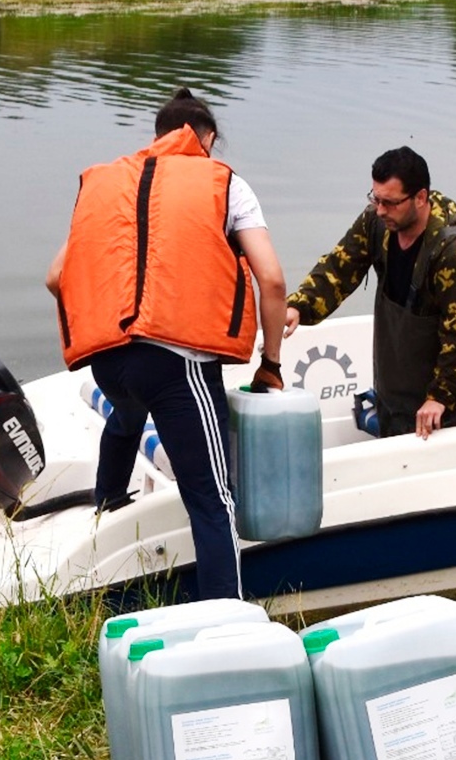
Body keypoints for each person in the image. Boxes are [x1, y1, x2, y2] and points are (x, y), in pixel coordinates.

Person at [46, 88, 286, 600]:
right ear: (208, 139)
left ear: (158, 135)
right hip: (176, 367)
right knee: (213, 499)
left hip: (108, 363)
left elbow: (54, 278)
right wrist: (270, 363)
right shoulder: (225, 183)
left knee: (129, 409)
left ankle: (107, 505)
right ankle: (228, 618)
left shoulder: (109, 183)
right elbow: (271, 280)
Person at [285, 146, 456, 439]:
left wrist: (439, 397)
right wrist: (298, 306)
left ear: (420, 198)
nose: (380, 210)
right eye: (375, 199)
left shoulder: (454, 254)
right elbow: (339, 267)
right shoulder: (376, 224)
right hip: (393, 391)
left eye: (390, 203)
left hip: (442, 410)